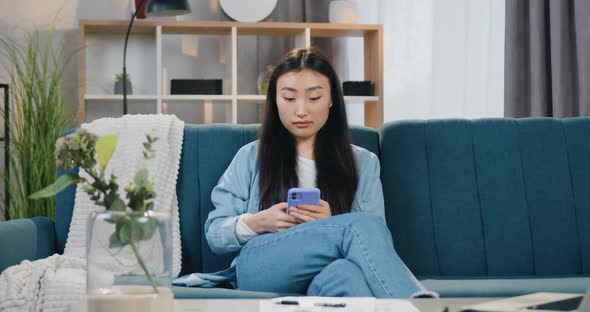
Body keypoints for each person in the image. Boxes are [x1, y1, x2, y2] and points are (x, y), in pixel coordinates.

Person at [201, 47, 433, 298]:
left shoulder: (363, 162)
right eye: (289, 99)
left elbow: (375, 240)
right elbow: (215, 233)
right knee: (357, 227)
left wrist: (330, 222)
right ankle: (416, 305)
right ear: (275, 100)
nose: (301, 110)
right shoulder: (251, 156)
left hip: (327, 269)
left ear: (332, 99)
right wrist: (259, 221)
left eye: (314, 98)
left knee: (347, 275)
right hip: (261, 267)